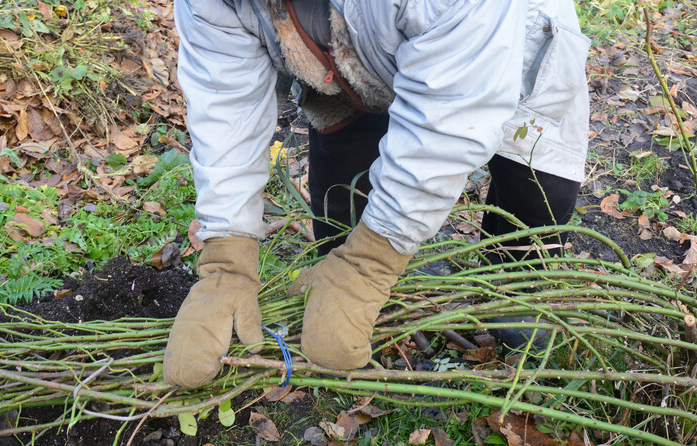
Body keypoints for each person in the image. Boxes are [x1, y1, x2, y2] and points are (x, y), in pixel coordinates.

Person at [163, 0, 591, 388]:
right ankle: (381, 316)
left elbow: (453, 116)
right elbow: (225, 105)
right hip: (347, 64)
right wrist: (227, 258)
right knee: (338, 212)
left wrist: (372, 261)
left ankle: (521, 321)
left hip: (515, 50)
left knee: (531, 212)